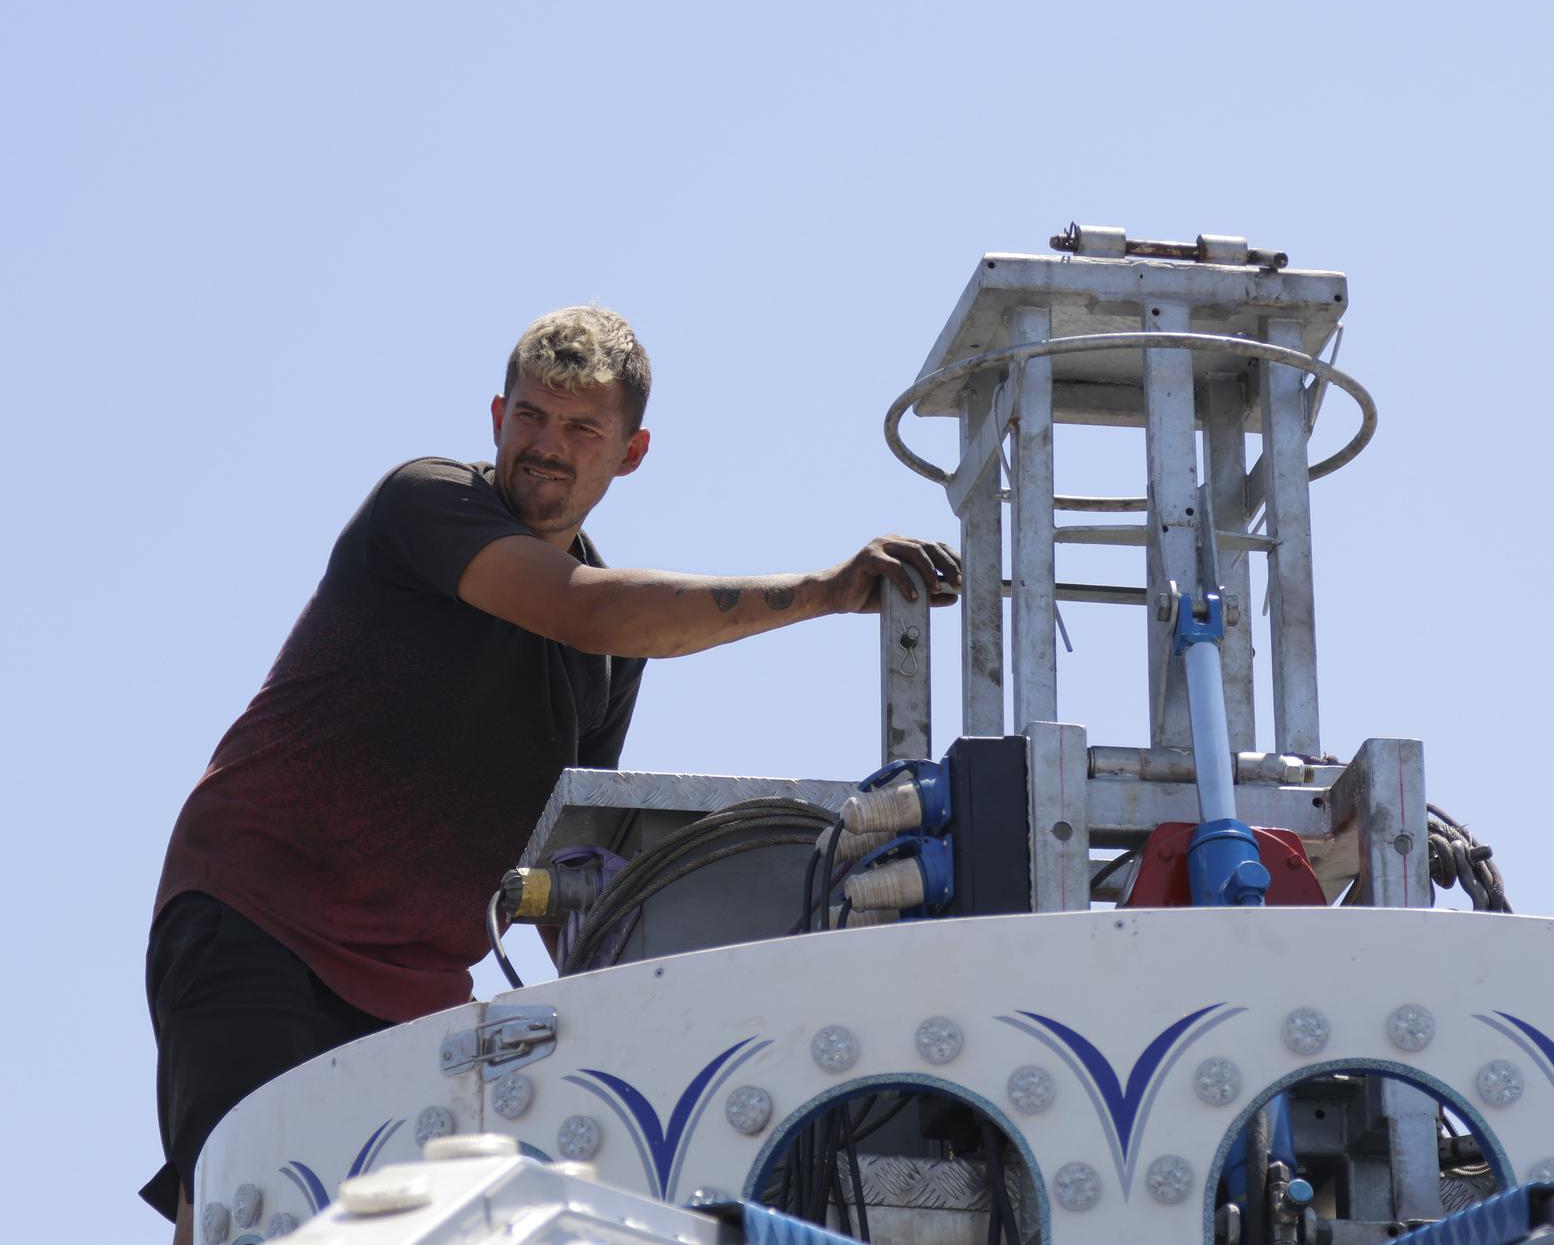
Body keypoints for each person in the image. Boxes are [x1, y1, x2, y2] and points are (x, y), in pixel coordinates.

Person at [141, 305, 960, 1240]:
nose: (547, 446)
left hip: (418, 984)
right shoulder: (425, 502)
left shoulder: (612, 658)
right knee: (248, 1208)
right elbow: (585, 609)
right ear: (496, 415)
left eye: (581, 428)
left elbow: (562, 873)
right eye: (531, 416)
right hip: (263, 917)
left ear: (632, 451)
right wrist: (824, 589)